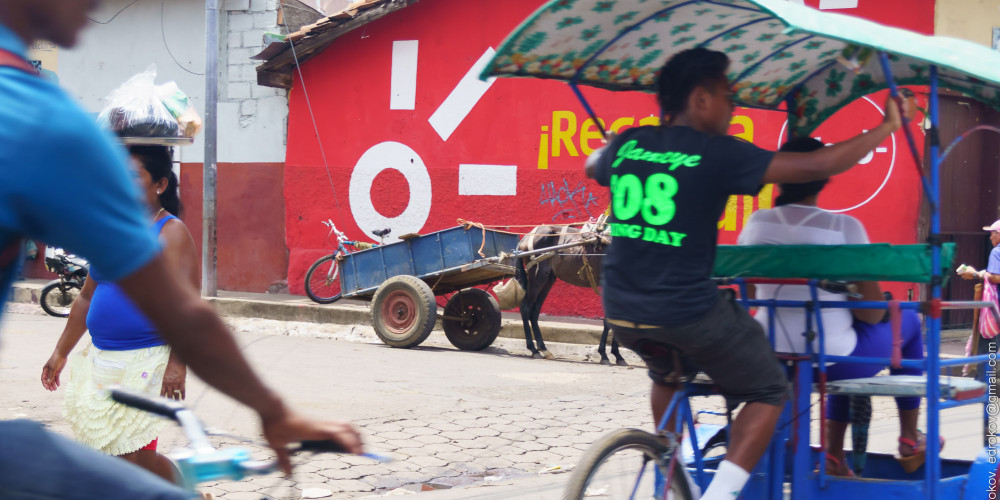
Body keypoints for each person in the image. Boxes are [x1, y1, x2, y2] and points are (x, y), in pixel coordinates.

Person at [0, 2, 361, 498]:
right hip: (101, 360)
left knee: (121, 457)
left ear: (160, 183)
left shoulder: (161, 230)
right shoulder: (40, 118)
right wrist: (272, 410)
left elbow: (184, 310)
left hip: (137, 359)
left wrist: (185, 368)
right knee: (102, 458)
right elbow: (103, 297)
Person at [585, 47, 911, 500]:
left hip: (620, 308)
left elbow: (591, 164)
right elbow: (820, 164)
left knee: (666, 376)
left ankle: (667, 465)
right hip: (688, 311)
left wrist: (619, 150)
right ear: (700, 99)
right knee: (768, 388)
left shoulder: (627, 144)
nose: (733, 105)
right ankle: (718, 495)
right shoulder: (719, 152)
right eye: (726, 95)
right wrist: (889, 126)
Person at [738, 137, 927, 476]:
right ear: (826, 174)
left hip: (769, 355)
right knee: (908, 319)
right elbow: (869, 313)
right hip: (835, 359)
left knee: (837, 337)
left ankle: (836, 456)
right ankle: (909, 438)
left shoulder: (756, 224)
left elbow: (749, 291)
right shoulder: (844, 227)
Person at [41, 145, 197, 482]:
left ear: (160, 185)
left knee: (129, 455)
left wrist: (177, 364)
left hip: (146, 360)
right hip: (103, 358)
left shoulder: (170, 233)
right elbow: (85, 297)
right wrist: (60, 351)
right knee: (118, 451)